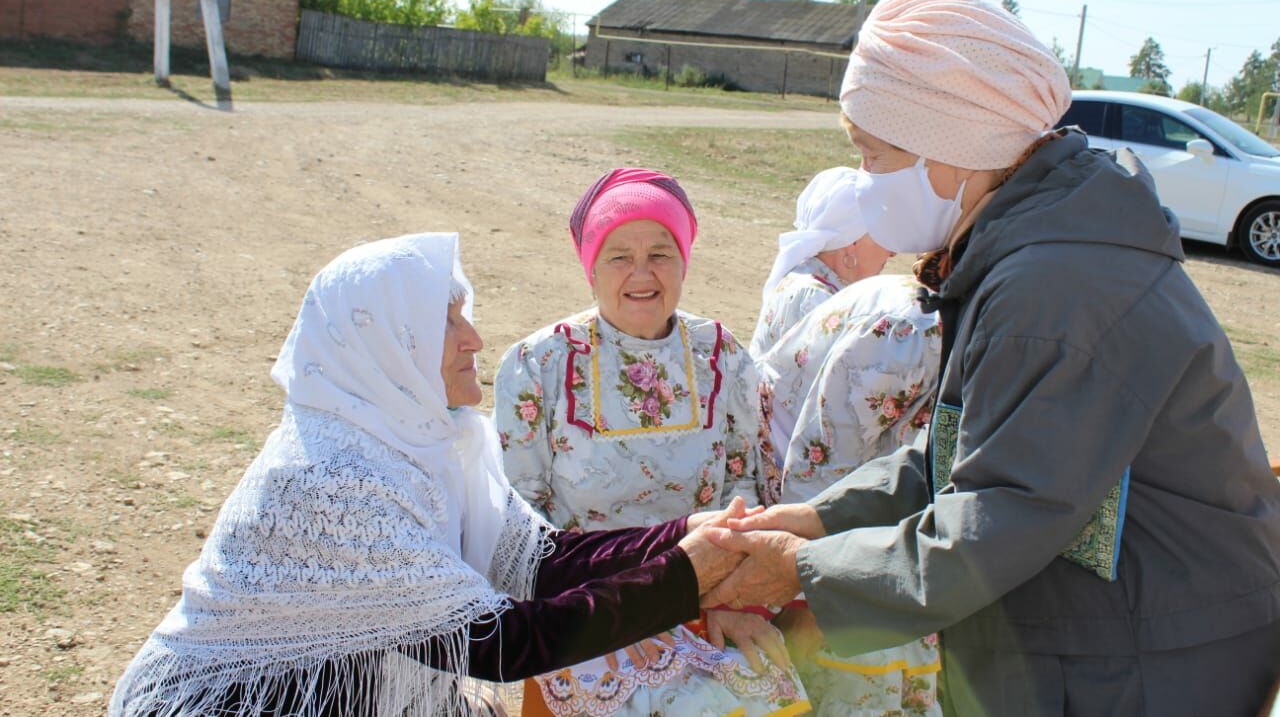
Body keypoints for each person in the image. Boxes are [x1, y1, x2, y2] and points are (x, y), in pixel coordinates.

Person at [698, 0, 1280, 715]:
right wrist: (820, 521)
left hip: (1149, 651)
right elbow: (964, 450)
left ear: (954, 148)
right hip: (1102, 625)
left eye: (875, 153)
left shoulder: (1057, 283)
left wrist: (802, 571)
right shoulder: (1029, 243)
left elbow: (1001, 512)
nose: (866, 179)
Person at [109, 232, 751, 717]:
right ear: (386, 347)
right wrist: (687, 576)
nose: (473, 338)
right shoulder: (334, 481)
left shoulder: (429, 443)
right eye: (444, 321)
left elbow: (542, 561)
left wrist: (686, 534)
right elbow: (499, 644)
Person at [493, 169, 808, 716]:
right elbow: (523, 521)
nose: (642, 273)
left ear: (685, 261)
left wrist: (732, 602)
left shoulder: (720, 353)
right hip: (588, 614)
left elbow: (742, 487)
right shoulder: (536, 364)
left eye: (661, 252)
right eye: (619, 256)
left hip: (711, 606)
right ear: (590, 267)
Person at [758, 273, 943, 715]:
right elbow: (818, 463)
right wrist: (810, 598)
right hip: (803, 508)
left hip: (859, 511)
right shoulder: (909, 332)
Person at [750, 166, 892, 359]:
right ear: (852, 242)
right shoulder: (818, 300)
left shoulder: (803, 278)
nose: (892, 251)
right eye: (884, 236)